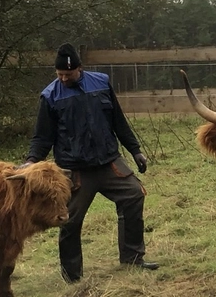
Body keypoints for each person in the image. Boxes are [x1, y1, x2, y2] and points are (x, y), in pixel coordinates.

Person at [23, 43, 157, 277]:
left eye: (68, 74)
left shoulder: (101, 83)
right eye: (59, 74)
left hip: (108, 163)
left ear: (80, 69)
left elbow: (118, 121)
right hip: (74, 170)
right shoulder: (50, 96)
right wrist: (31, 161)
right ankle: (72, 274)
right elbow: (42, 137)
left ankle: (133, 258)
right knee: (69, 219)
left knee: (134, 195)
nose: (63, 79)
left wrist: (135, 151)